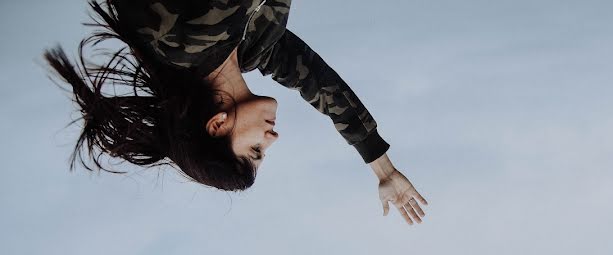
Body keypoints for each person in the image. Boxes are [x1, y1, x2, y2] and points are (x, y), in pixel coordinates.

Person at [44, 0, 428, 225]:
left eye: (255, 151)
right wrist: (385, 171)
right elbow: (324, 88)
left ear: (217, 124)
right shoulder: (254, 48)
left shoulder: (185, 42)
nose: (272, 139)